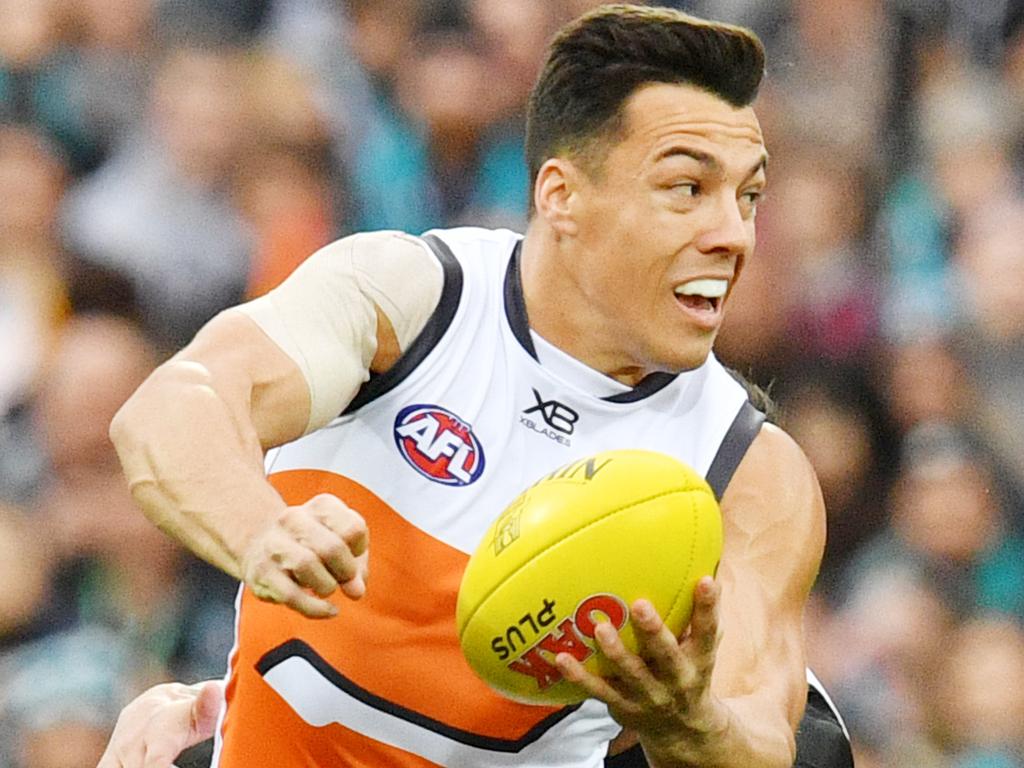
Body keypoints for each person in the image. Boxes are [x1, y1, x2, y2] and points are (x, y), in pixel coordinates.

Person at [100, 6, 851, 767]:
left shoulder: (753, 472)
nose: (734, 235)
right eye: (687, 188)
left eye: (748, 197)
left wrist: (690, 726)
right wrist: (260, 529)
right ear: (561, 196)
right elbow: (169, 412)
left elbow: (764, 739)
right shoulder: (411, 299)